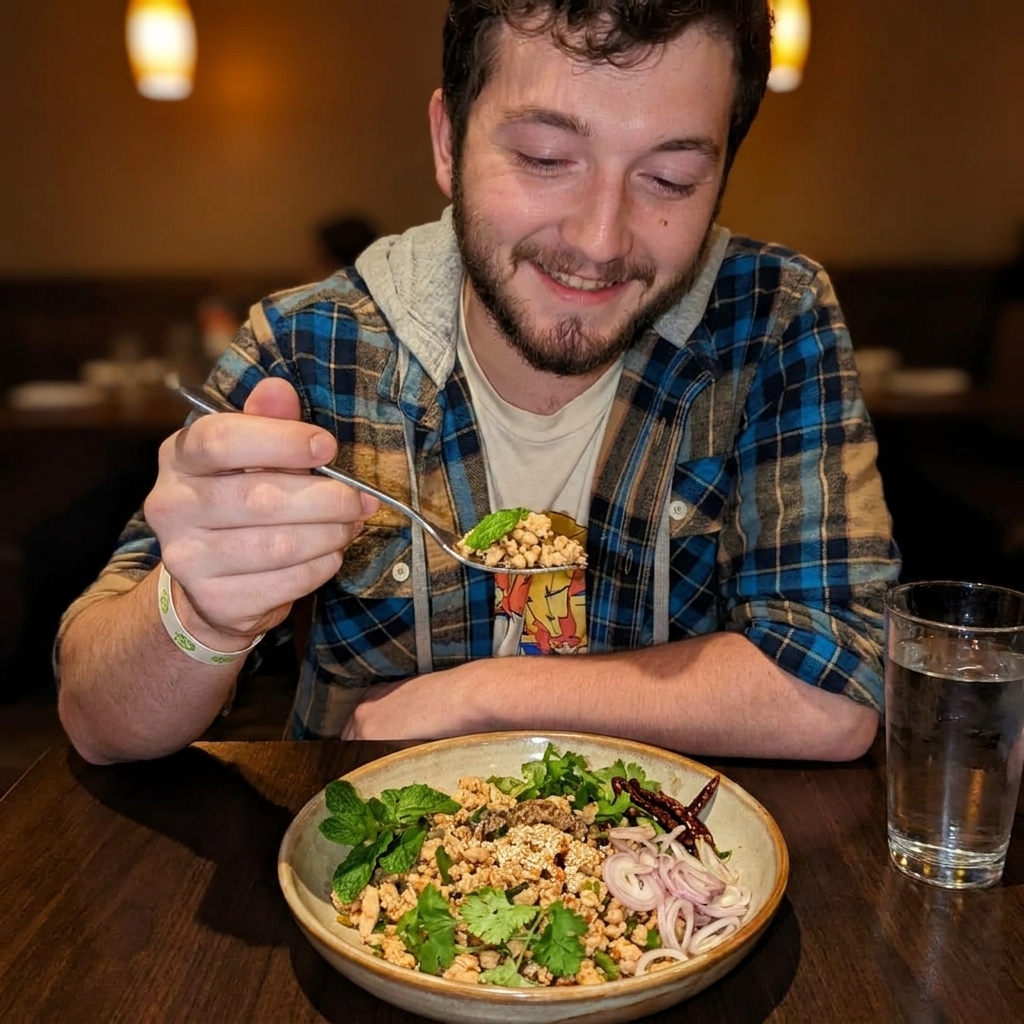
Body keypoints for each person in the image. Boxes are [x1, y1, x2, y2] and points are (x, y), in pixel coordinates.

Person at [56, 0, 900, 765]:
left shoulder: (771, 315)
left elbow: (836, 690)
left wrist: (483, 696)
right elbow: (101, 722)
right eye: (544, 158)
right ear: (447, 142)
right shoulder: (311, 344)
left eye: (670, 179)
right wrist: (201, 614)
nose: (601, 240)